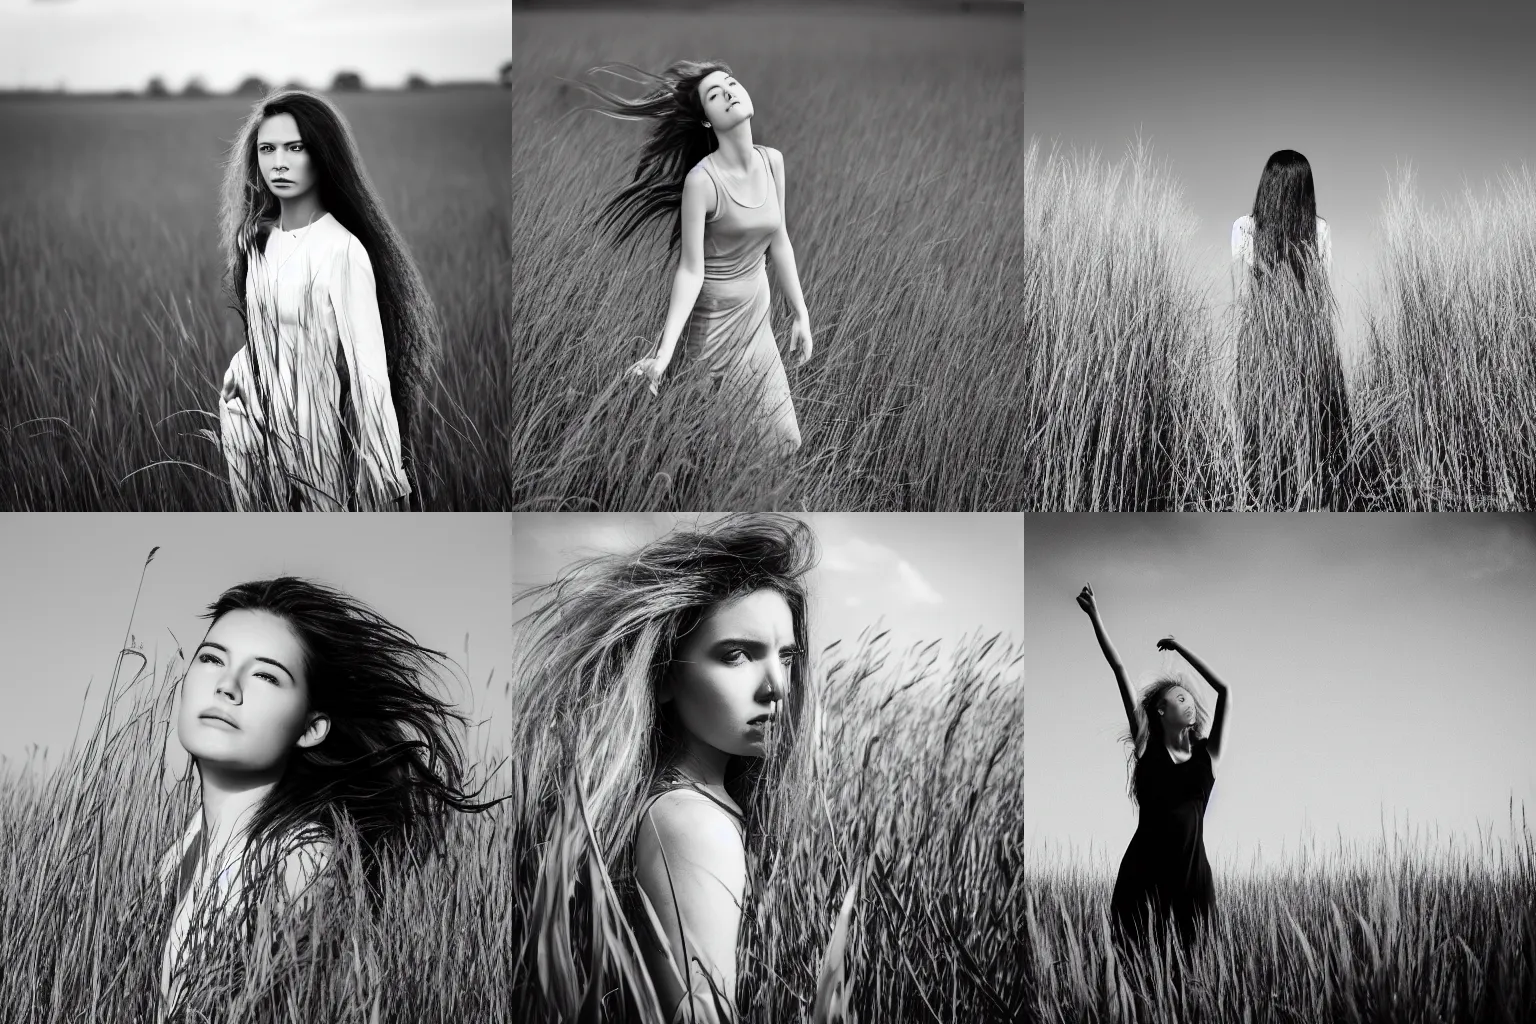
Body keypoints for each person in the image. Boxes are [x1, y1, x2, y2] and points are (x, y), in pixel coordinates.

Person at [511, 514, 818, 1022]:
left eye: (786, 657)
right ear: (663, 676)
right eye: (737, 655)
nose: (778, 687)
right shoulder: (693, 827)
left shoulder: (669, 805)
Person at [156, 577, 492, 1017]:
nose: (227, 686)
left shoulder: (301, 862)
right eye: (212, 658)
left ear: (311, 728)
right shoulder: (187, 847)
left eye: (264, 675)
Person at [216, 89, 440, 510]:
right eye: (267, 149)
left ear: (321, 154)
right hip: (247, 425)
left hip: (314, 437)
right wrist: (237, 370)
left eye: (294, 147)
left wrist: (387, 478)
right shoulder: (257, 242)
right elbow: (263, 333)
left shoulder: (343, 250)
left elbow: (369, 373)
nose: (278, 162)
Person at [579, 61, 814, 457]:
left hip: (757, 323)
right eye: (714, 94)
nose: (729, 92)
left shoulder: (773, 161)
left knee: (785, 442)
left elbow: (780, 241)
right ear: (706, 120)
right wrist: (664, 353)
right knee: (715, 451)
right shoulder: (702, 182)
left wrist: (800, 313)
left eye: (731, 83)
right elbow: (690, 269)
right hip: (713, 329)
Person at [1075, 583, 1229, 952]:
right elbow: (1119, 668)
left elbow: (1224, 691)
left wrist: (1179, 650)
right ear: (1161, 711)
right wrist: (1095, 615)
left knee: (1194, 981)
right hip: (1143, 882)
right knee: (1139, 973)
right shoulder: (1148, 749)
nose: (1187, 702)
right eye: (1178, 698)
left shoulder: (1209, 757)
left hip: (1194, 884)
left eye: (1188, 697)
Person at [1230, 149, 1351, 509]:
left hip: (1259, 344)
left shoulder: (1244, 228)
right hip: (1308, 344)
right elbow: (1320, 295)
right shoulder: (1319, 230)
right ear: (1304, 188)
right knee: (1311, 433)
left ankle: (1264, 499)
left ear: (1267, 184)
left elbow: (1245, 295)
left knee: (1260, 433)